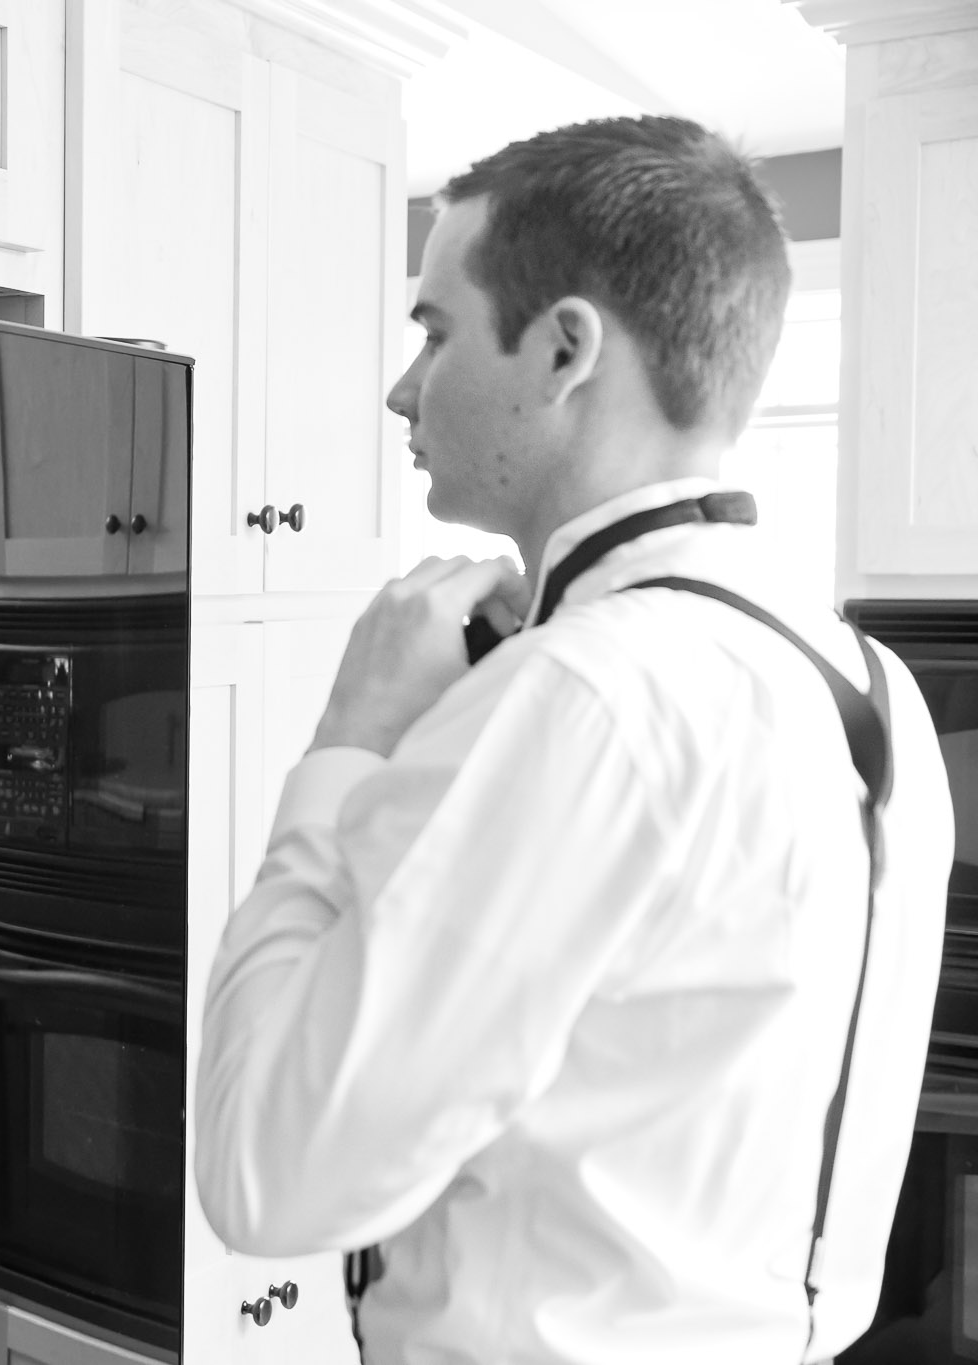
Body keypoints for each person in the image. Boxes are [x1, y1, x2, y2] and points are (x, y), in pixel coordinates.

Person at [194, 116, 953, 1364]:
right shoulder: (868, 686)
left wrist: (349, 742)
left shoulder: (577, 699)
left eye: (431, 330)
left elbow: (263, 1168)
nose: (399, 386)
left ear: (561, 350)